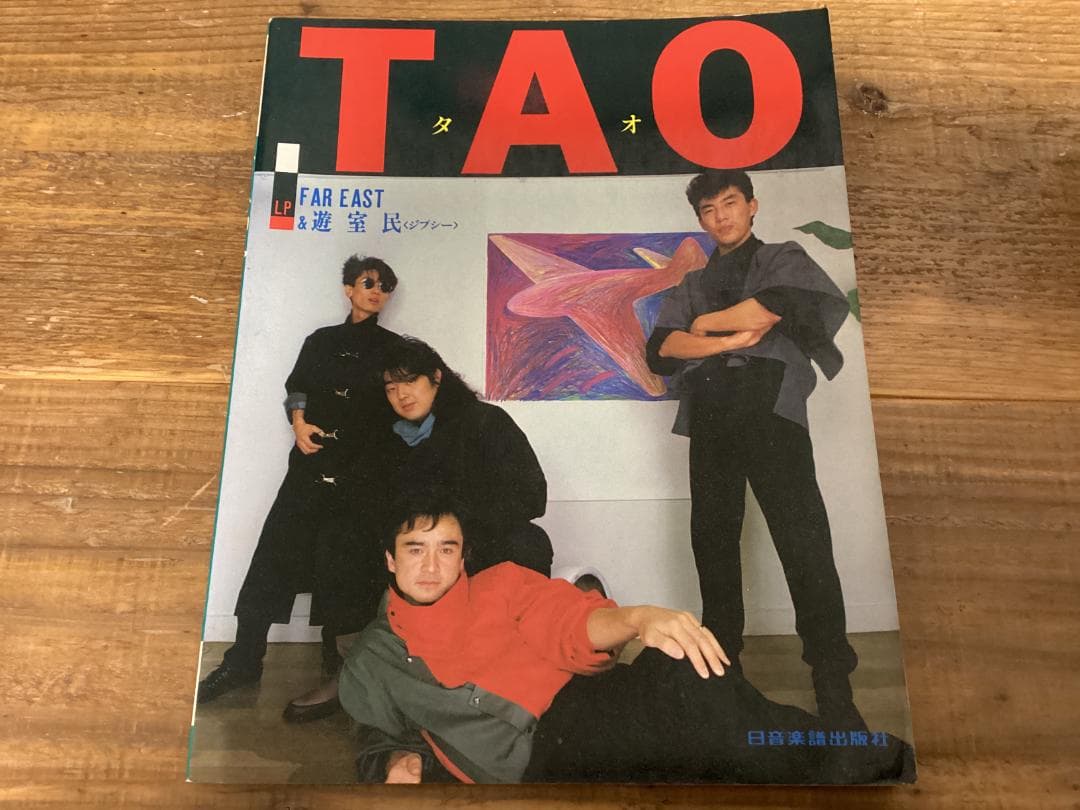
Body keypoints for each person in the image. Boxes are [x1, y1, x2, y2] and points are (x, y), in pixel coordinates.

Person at [337, 492, 914, 784]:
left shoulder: (501, 584)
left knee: (685, 669)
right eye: (415, 549)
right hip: (541, 753)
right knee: (715, 726)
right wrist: (395, 763)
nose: (431, 566)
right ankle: (857, 753)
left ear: (464, 556)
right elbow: (373, 735)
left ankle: (837, 753)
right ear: (390, 559)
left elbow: (569, 621)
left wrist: (640, 619)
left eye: (446, 549)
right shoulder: (373, 657)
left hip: (586, 703)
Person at [644, 169, 861, 727]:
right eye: (709, 209)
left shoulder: (781, 257)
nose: (721, 216)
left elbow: (771, 307)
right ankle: (725, 674)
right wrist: (733, 339)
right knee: (712, 541)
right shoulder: (691, 281)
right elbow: (660, 349)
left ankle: (832, 680)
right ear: (700, 219)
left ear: (752, 205)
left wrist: (706, 326)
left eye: (730, 203)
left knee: (803, 540)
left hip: (772, 411)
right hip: (711, 413)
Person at [197, 255, 403, 719]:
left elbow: (403, 403)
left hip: (360, 474)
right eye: (368, 282)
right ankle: (242, 661)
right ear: (348, 289)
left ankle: (340, 670)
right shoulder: (320, 341)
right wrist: (298, 424)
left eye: (385, 286)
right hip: (310, 466)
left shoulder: (395, 349)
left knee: (343, 564)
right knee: (274, 556)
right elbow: (298, 387)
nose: (377, 291)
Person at [376, 337, 553, 576]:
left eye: (410, 381)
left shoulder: (485, 421)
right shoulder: (390, 439)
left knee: (525, 542)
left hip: (482, 542)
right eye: (391, 388)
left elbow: (531, 495)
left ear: (436, 377)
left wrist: (460, 526)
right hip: (422, 546)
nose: (402, 394)